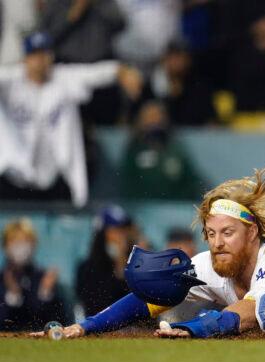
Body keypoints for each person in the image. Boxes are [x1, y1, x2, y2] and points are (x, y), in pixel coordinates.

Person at [41, 167, 265, 339]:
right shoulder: (212, 263)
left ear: (252, 232)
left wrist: (191, 329)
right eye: (211, 233)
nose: (217, 242)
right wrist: (85, 326)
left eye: (228, 232)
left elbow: (250, 314)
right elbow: (148, 301)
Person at [0, 31, 142, 207]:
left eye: (44, 54)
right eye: (35, 54)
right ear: (26, 58)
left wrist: (121, 71)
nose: (41, 60)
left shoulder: (63, 78)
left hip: (55, 175)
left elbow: (94, 73)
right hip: (15, 176)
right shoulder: (10, 80)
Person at [119, 101, 208, 200]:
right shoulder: (134, 150)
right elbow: (127, 183)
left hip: (175, 207)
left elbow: (190, 181)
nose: (154, 122)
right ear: (140, 122)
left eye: (157, 117)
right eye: (149, 117)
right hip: (143, 207)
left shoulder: (176, 149)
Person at [1, 218, 70, 331]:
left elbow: (61, 325)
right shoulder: (2, 279)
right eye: (14, 241)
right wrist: (12, 297)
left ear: (34, 244)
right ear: (5, 246)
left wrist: (45, 294)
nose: (20, 246)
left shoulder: (45, 278)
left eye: (25, 241)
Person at [75, 205, 137, 317]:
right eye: (115, 231)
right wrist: (119, 266)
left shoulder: (136, 264)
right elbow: (95, 307)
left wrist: (122, 264)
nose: (121, 237)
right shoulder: (87, 268)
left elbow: (140, 304)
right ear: (101, 235)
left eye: (123, 231)